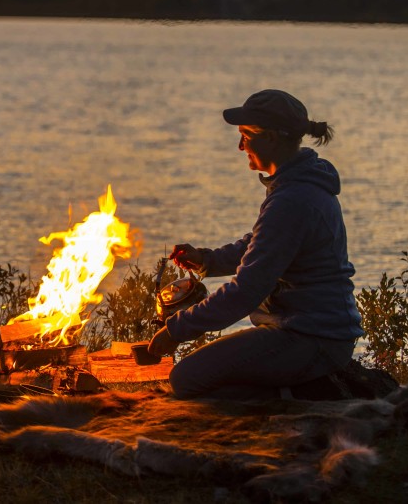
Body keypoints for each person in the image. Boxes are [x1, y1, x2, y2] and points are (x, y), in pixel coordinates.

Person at [148, 89, 363, 400]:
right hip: (306, 329)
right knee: (206, 373)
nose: (240, 146)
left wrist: (176, 330)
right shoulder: (294, 187)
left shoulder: (292, 200)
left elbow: (246, 292)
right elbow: (260, 246)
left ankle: (291, 403)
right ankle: (288, 390)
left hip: (313, 337)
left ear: (272, 138)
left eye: (246, 135)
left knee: (187, 378)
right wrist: (206, 260)